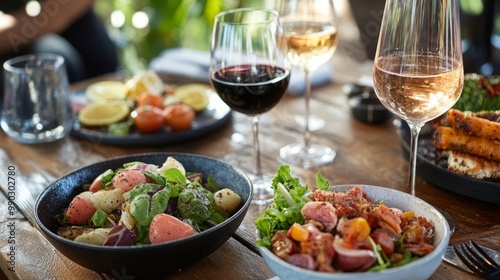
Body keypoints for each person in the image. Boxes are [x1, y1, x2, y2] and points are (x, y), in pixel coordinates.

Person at [0, 0, 119, 98]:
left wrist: (48, 19)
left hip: (68, 22)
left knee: (99, 55)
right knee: (54, 61)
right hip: (15, 42)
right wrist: (44, 21)